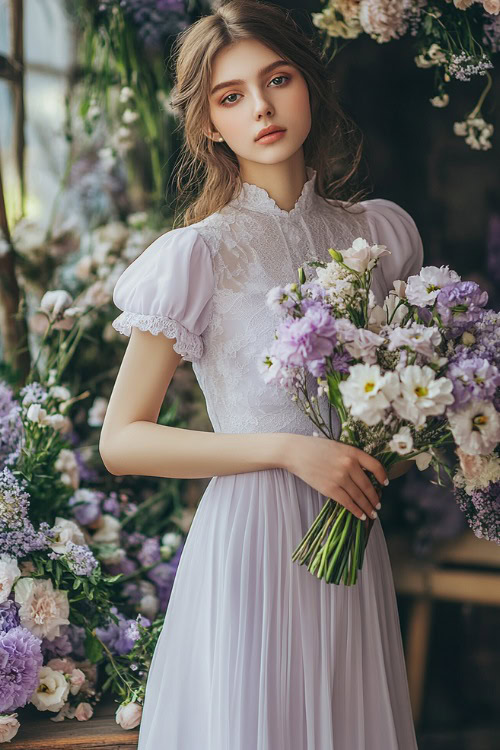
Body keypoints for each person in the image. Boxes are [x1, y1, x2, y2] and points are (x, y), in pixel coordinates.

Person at [99, 1, 423, 747]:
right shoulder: (199, 255)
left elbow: (402, 410)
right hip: (251, 545)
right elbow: (123, 440)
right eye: (231, 95)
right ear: (210, 123)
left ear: (308, 84)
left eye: (277, 79)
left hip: (350, 533)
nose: (263, 107)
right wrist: (285, 449)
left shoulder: (376, 234)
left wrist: (405, 450)